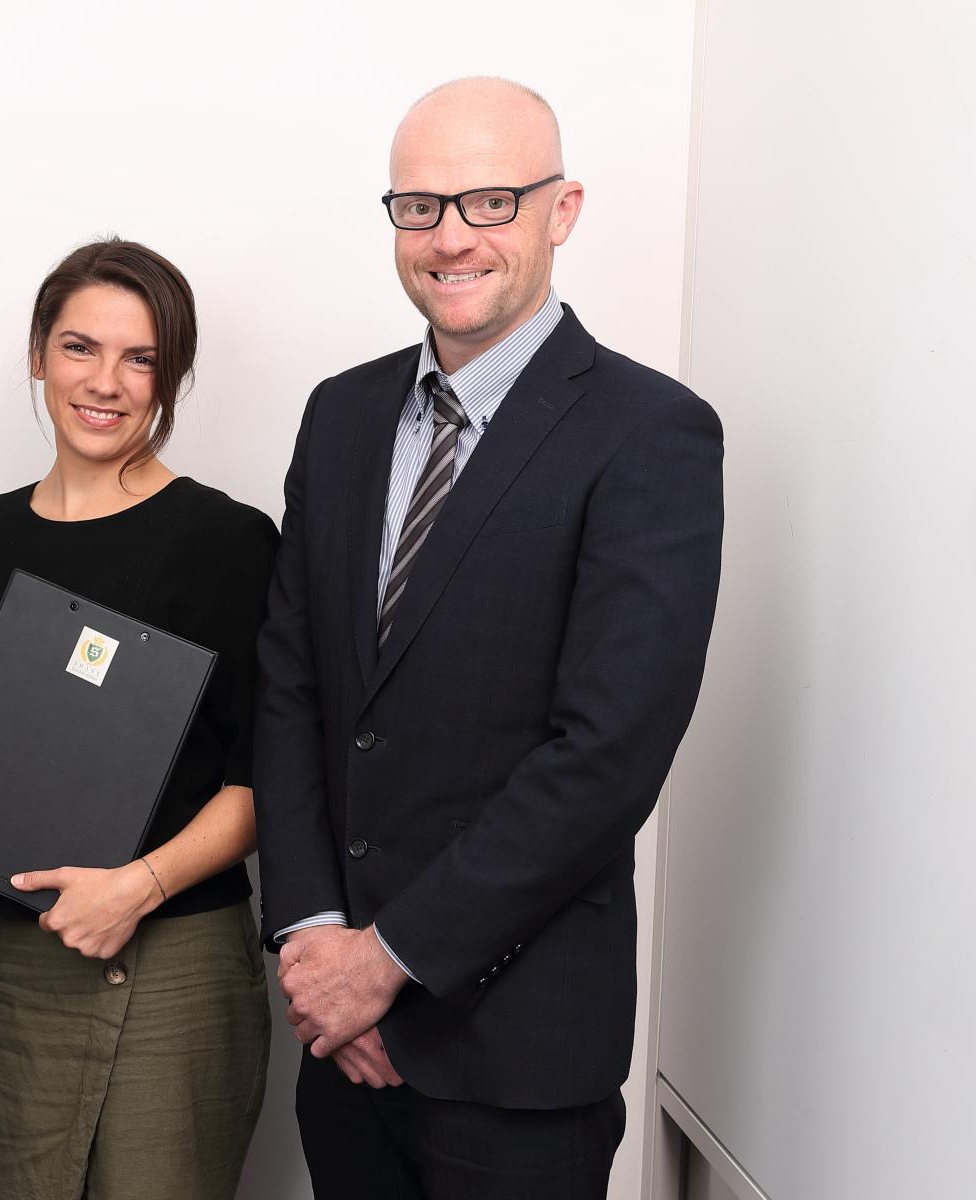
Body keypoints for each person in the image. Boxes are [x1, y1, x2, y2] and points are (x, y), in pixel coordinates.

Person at [256, 78, 725, 1197]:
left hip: (516, 1057)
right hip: (340, 1043)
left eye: (491, 202)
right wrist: (317, 942)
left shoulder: (650, 432)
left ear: (563, 211)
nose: (452, 237)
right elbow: (291, 684)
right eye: (420, 206)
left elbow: (605, 755)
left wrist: (387, 962)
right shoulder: (342, 414)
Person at [0, 239, 276, 1199]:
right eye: (79, 347)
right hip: (14, 965)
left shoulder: (229, 541)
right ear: (38, 354)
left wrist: (139, 886)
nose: (105, 382)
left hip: (177, 958)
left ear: (171, 376)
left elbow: (267, 781)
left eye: (140, 358)